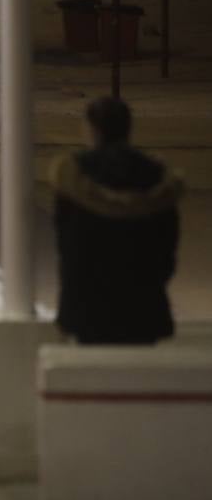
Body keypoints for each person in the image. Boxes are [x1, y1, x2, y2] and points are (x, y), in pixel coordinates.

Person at [53, 97, 183, 345]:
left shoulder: (73, 175)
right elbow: (168, 244)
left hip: (86, 305)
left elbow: (66, 244)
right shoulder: (156, 176)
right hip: (144, 303)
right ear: (128, 128)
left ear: (92, 129)